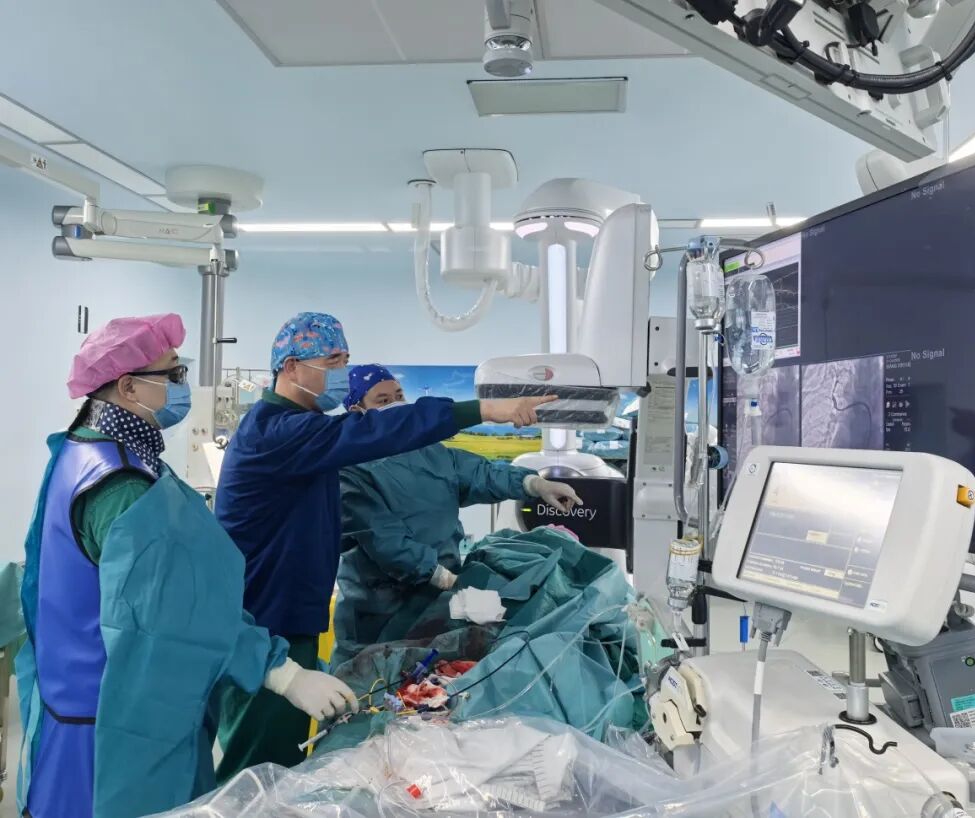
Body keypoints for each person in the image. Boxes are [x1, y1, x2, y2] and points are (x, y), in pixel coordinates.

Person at [16, 314, 358, 818]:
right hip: (116, 725)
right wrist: (281, 672)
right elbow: (179, 611)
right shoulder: (121, 484)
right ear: (128, 386)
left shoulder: (83, 452)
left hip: (77, 703)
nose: (182, 386)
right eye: (172, 374)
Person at [214, 312, 553, 779]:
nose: (341, 370)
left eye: (346, 360)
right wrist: (485, 410)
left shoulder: (302, 431)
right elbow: (376, 446)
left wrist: (529, 482)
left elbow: (466, 470)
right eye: (333, 361)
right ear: (291, 367)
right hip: (265, 620)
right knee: (257, 770)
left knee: (284, 764)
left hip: (289, 616)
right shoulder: (277, 432)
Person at [332, 365, 582, 665]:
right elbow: (383, 540)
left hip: (436, 605)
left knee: (428, 683)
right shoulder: (349, 470)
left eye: (399, 396)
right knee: (368, 682)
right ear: (358, 411)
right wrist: (443, 577)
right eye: (383, 401)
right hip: (378, 613)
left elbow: (481, 474)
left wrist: (533, 484)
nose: (396, 405)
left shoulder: (430, 452)